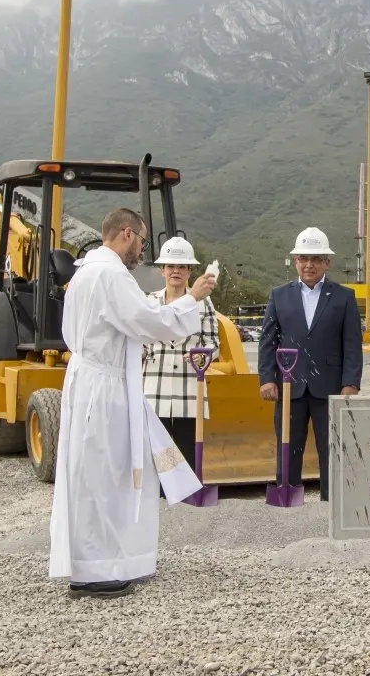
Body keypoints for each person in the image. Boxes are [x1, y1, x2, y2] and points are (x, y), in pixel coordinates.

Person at [48, 208, 216, 599]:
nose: (142, 249)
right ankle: (94, 571)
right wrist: (191, 298)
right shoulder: (109, 275)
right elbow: (150, 322)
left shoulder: (86, 272)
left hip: (96, 379)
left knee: (110, 472)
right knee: (102, 474)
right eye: (141, 240)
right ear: (127, 234)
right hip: (103, 386)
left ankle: (118, 560)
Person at [258, 227, 363, 502]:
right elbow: (267, 341)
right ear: (295, 261)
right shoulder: (279, 295)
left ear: (327, 262)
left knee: (331, 449)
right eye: (303, 258)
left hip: (330, 387)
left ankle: (333, 502)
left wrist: (350, 383)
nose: (309, 265)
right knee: (288, 447)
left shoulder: (344, 297)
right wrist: (267, 378)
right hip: (289, 387)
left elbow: (352, 344)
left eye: (316, 259)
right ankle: (286, 499)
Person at [141, 236, 220, 472]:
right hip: (155, 387)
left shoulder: (204, 304)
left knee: (187, 448)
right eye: (171, 266)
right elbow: (141, 340)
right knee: (159, 450)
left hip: (189, 385)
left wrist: (202, 355)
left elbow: (213, 343)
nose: (176, 271)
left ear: (189, 272)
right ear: (162, 270)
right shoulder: (149, 302)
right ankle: (162, 494)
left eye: (182, 267)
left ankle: (187, 500)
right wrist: (141, 352)